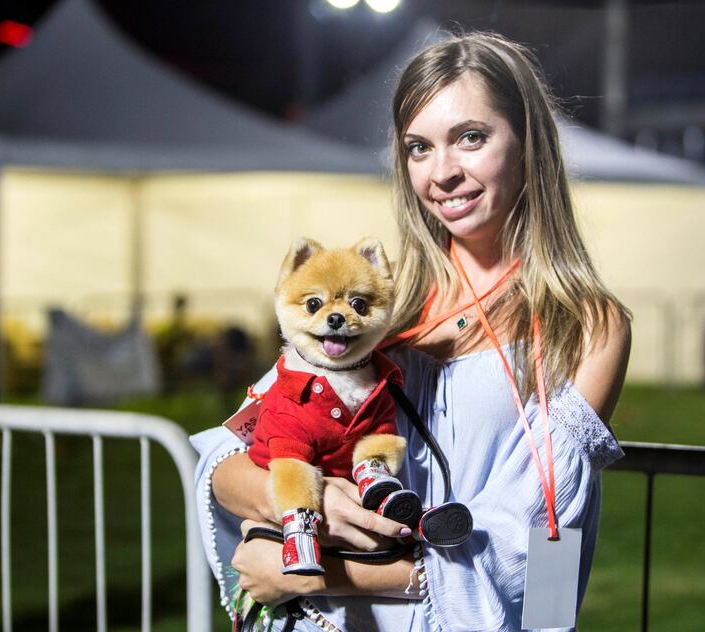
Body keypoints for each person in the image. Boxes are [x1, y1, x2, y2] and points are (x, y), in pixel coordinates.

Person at [191, 30, 630, 631]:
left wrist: (319, 570)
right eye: (419, 147)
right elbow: (232, 452)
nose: (442, 173)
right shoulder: (377, 310)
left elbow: (534, 550)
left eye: (470, 138)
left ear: (528, 142)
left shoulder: (586, 326)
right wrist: (305, 503)